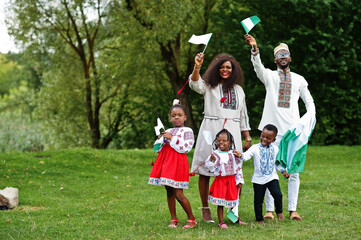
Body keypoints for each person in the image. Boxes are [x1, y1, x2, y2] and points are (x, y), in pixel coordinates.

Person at [245, 34, 316, 221]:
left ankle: (293, 210)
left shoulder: (299, 79)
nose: (283, 57)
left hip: (292, 133)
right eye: (279, 54)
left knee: (293, 172)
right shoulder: (269, 76)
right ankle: (269, 210)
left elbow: (309, 102)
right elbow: (257, 67)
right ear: (275, 59)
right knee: (268, 171)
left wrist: (307, 121)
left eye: (286, 54)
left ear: (290, 58)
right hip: (271, 134)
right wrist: (254, 49)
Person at [189, 52, 252, 223]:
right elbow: (194, 83)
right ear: (217, 69)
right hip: (211, 129)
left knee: (234, 172)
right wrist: (197, 66)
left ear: (234, 70)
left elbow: (243, 114)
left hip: (233, 131)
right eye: (222, 67)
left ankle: (233, 212)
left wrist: (247, 137)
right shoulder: (209, 86)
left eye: (228, 68)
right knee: (205, 170)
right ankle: (205, 209)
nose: (225, 70)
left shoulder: (239, 90)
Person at [148, 100, 197, 228]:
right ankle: (173, 219)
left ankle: (191, 219)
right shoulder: (168, 130)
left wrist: (171, 138)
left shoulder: (188, 131)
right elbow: (157, 149)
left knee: (178, 194)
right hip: (165, 162)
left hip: (177, 163)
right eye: (173, 115)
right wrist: (160, 140)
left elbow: (186, 148)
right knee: (169, 191)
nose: (176, 118)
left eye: (179, 115)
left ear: (185, 117)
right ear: (170, 118)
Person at [240, 124, 290, 224]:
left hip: (272, 178)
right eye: (263, 136)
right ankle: (259, 219)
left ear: (273, 140)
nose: (264, 139)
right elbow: (246, 156)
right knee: (258, 201)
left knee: (278, 195)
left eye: (268, 138)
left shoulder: (275, 149)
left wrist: (283, 171)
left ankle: (279, 212)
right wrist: (240, 155)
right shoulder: (255, 148)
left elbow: (277, 163)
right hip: (258, 180)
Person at [204, 129, 244, 229]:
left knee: (233, 201)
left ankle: (234, 218)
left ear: (229, 142)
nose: (221, 143)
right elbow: (210, 168)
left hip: (231, 181)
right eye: (218, 140)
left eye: (224, 140)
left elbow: (238, 168)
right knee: (221, 202)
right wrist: (212, 161)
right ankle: (221, 222)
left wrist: (239, 180)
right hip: (221, 181)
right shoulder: (215, 154)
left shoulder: (233, 154)